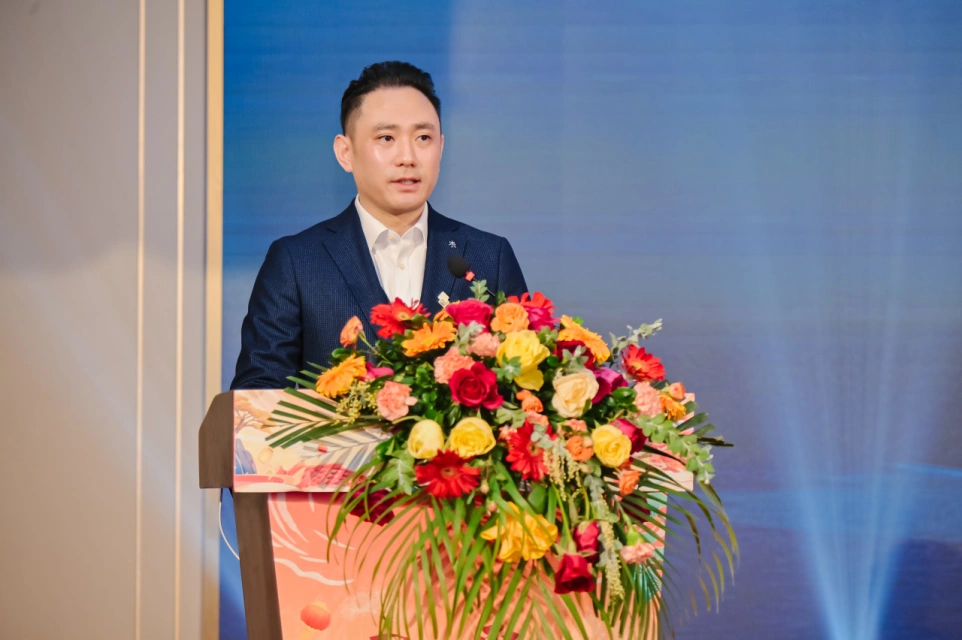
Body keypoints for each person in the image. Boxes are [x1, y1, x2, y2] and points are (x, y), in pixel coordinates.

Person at [231, 61, 528, 390]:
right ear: (345, 152)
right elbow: (256, 395)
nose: (407, 157)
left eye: (423, 137)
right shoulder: (297, 262)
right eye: (386, 138)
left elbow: (526, 382)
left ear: (441, 147)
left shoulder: (489, 257)